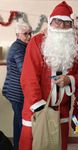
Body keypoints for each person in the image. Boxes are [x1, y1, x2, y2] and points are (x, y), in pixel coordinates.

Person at [19, 1, 78, 150]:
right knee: (34, 145)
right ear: (50, 22)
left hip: (61, 112)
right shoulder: (37, 42)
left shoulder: (75, 46)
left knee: (58, 145)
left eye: (66, 23)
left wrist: (70, 80)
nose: (61, 26)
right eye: (57, 21)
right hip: (37, 111)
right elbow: (28, 77)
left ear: (71, 26)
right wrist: (40, 109)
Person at [2, 21, 32, 150]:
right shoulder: (18, 47)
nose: (29, 36)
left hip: (14, 91)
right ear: (17, 34)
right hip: (16, 92)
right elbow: (24, 69)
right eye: (25, 34)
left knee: (18, 122)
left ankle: (17, 147)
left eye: (30, 33)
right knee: (22, 123)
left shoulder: (21, 46)